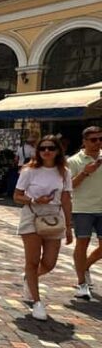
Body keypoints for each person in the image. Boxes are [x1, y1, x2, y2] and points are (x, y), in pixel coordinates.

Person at [13, 135, 73, 320]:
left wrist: (69, 226)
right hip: (32, 215)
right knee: (32, 261)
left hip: (54, 217)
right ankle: (37, 302)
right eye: (42, 148)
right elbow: (17, 196)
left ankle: (29, 278)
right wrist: (33, 199)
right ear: (37, 151)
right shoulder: (29, 170)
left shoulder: (64, 171)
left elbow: (66, 199)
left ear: (57, 151)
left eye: (51, 148)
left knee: (49, 262)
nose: (46, 151)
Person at [67, 126, 102, 300]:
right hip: (83, 209)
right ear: (84, 141)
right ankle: (82, 283)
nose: (97, 142)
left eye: (100, 139)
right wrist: (85, 173)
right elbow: (69, 186)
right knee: (83, 244)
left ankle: (85, 266)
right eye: (93, 139)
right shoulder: (74, 161)